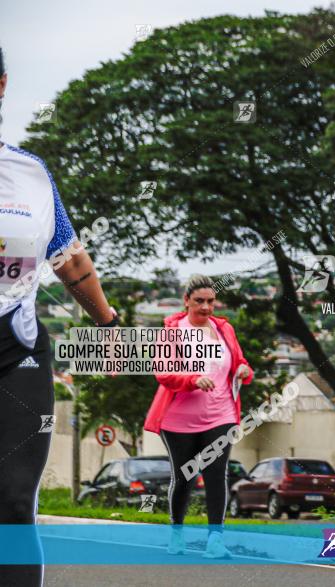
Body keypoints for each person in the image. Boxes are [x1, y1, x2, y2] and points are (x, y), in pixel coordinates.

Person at [0, 45, 118, 587]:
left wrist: (108, 324)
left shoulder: (30, 174)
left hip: (14, 349)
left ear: (2, 86)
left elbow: (67, 256)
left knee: (13, 499)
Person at [143, 274, 253, 559]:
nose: (206, 307)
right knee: (184, 477)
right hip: (179, 418)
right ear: (186, 301)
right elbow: (163, 373)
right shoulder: (172, 331)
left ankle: (215, 540)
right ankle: (176, 532)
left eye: (210, 301)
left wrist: (243, 370)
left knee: (217, 473)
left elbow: (239, 361)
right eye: (199, 301)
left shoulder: (224, 328)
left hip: (222, 413)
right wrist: (193, 379)